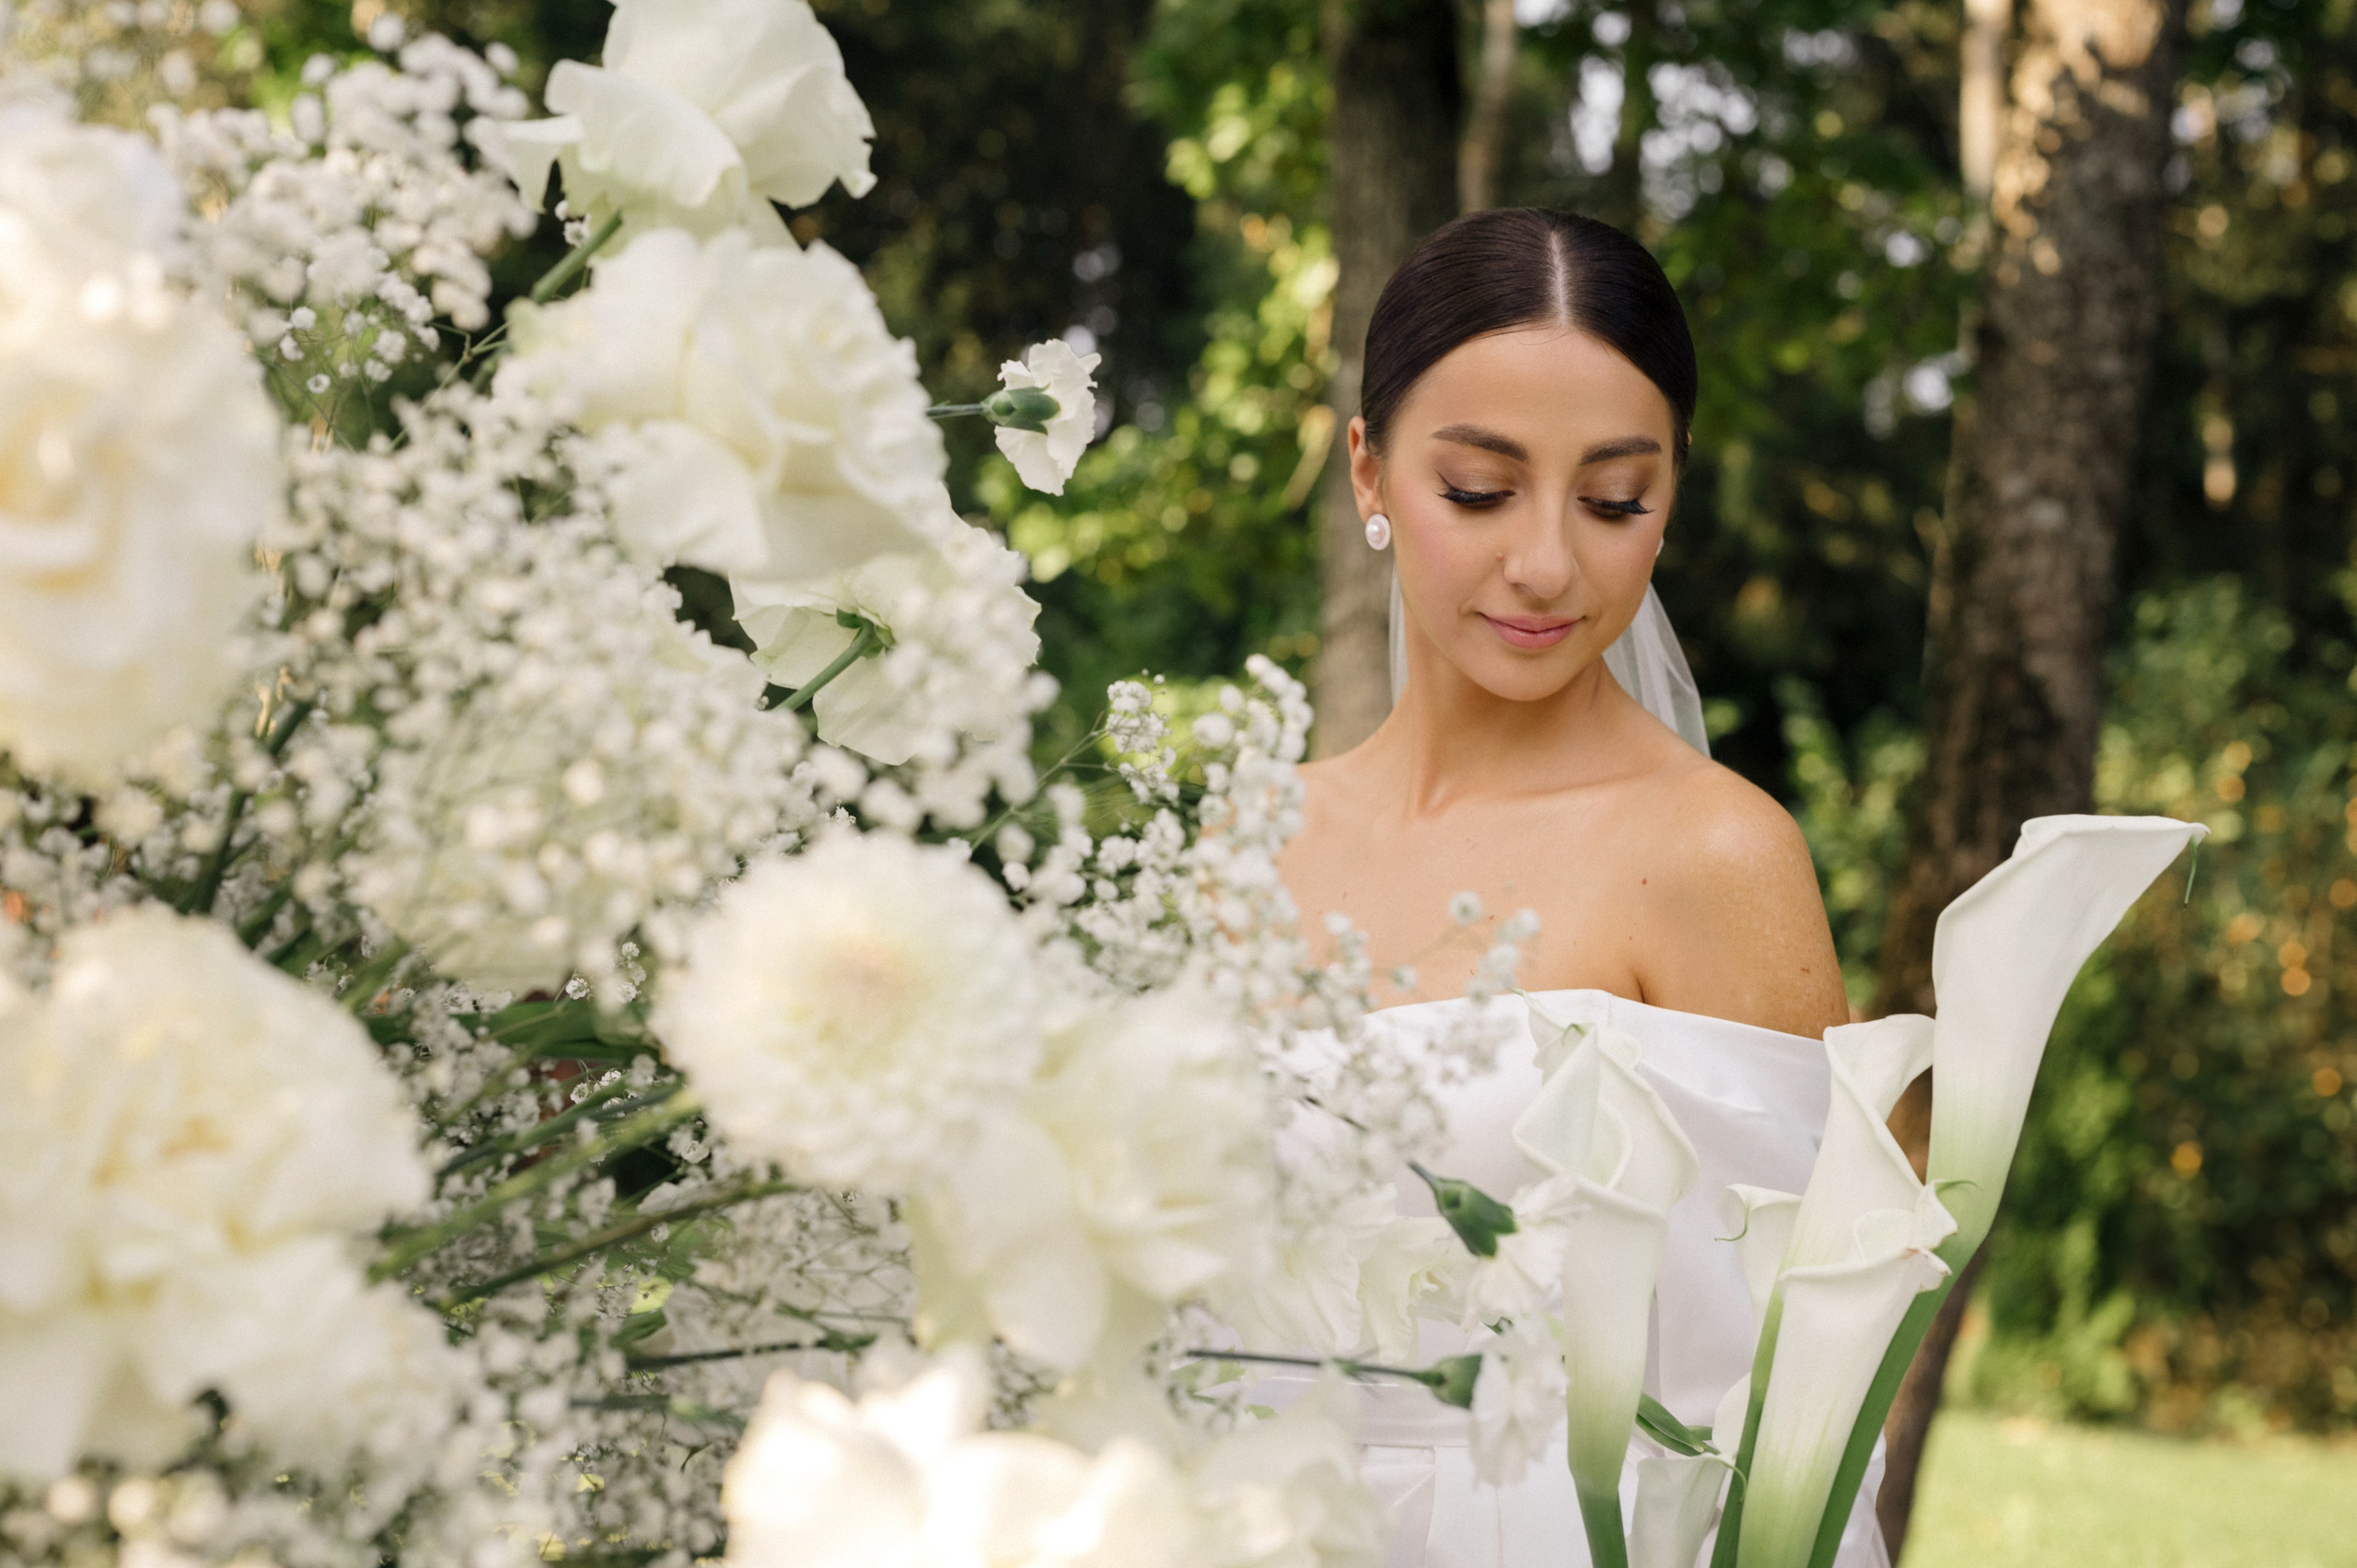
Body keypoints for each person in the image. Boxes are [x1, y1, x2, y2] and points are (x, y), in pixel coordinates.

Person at [1274, 208, 1891, 1568]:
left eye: (1616, 499)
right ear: (1369, 473)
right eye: (1483, 490)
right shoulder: (1243, 850)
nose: (1549, 562)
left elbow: (1796, 1411)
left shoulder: (1717, 858)